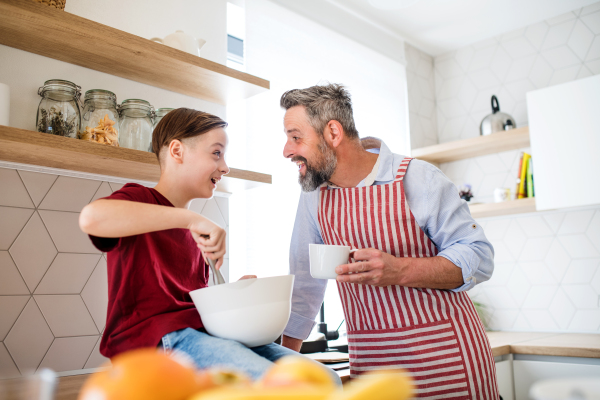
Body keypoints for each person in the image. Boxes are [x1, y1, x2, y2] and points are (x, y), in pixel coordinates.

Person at [79, 108, 337, 382]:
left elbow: (190, 306)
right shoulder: (141, 200)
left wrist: (234, 297)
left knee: (324, 380)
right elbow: (91, 218)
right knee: (273, 384)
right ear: (177, 151)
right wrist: (190, 219)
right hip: (154, 338)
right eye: (216, 153)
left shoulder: (198, 234)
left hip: (201, 333)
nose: (225, 167)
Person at [279, 84, 499, 399]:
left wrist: (400, 270)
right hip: (372, 367)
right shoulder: (313, 197)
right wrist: (285, 368)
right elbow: (304, 286)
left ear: (333, 133)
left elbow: (479, 256)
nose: (286, 150)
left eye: (295, 137)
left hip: (446, 359)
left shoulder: (418, 178)